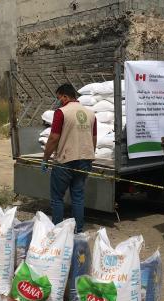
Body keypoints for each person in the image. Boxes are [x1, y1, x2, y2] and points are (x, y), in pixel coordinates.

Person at [42, 83, 97, 233]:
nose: (59, 101)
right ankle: (78, 231)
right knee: (78, 197)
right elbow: (93, 139)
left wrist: (45, 158)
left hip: (65, 161)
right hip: (85, 160)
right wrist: (90, 158)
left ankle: (58, 232)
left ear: (65, 97)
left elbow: (53, 138)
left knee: (57, 198)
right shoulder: (90, 114)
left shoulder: (61, 112)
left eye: (59, 98)